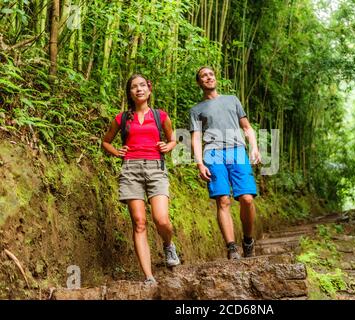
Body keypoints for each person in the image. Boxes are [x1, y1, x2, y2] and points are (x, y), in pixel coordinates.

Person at [102, 74, 180, 286]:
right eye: (134, 87)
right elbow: (106, 142)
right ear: (130, 93)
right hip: (131, 170)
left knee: (161, 219)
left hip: (156, 168)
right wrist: (116, 152)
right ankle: (149, 276)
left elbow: (173, 139)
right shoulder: (122, 118)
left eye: (142, 85)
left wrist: (168, 146)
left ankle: (168, 245)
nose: (139, 89)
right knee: (139, 223)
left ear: (149, 88)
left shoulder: (160, 116)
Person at [190, 66, 261, 260]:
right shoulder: (196, 110)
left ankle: (247, 240)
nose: (208, 77)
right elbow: (196, 138)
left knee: (247, 198)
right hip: (212, 154)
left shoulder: (232, 100)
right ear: (199, 83)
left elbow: (247, 127)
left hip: (237, 150)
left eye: (211, 74)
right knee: (223, 200)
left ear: (215, 79)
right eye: (203, 76)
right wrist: (199, 163)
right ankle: (231, 247)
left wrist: (254, 146)